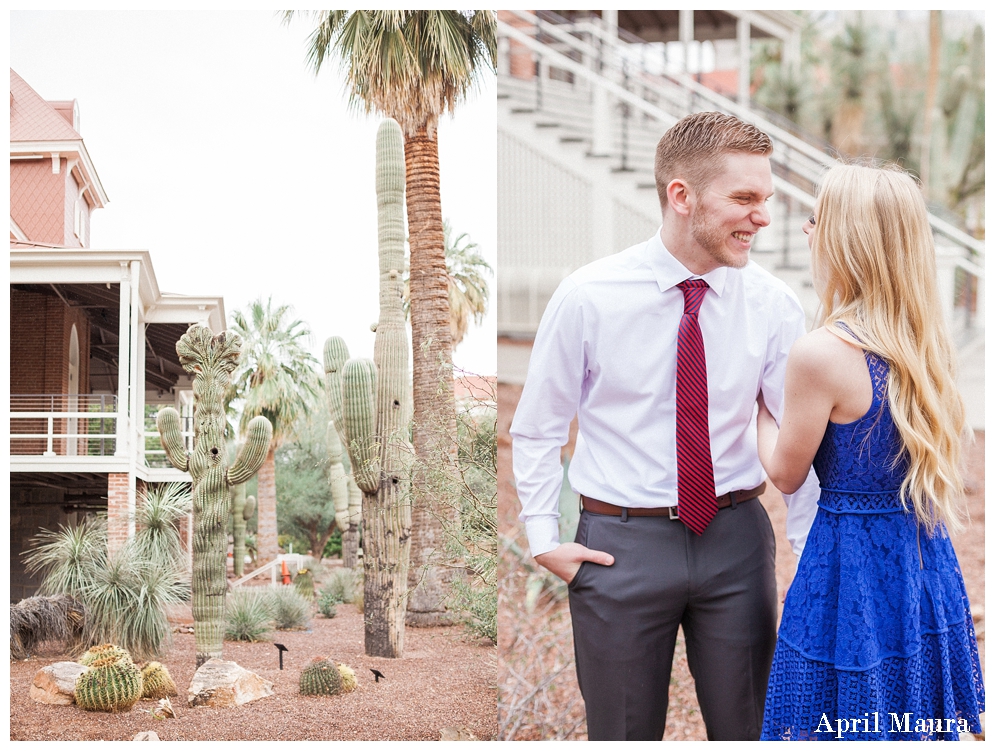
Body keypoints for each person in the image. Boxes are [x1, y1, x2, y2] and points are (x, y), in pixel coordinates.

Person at [511, 111, 820, 741]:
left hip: (736, 542)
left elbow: (797, 437)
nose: (763, 216)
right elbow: (539, 426)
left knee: (753, 731)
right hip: (619, 548)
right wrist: (544, 538)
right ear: (681, 196)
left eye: (766, 198)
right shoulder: (588, 296)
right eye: (744, 198)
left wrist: (811, 553)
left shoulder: (773, 304)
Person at [756, 162, 985, 740]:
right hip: (921, 565)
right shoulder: (924, 345)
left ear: (844, 239)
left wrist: (757, 411)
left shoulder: (821, 354)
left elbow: (786, 473)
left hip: (848, 570)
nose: (807, 233)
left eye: (815, 221)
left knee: (835, 719)